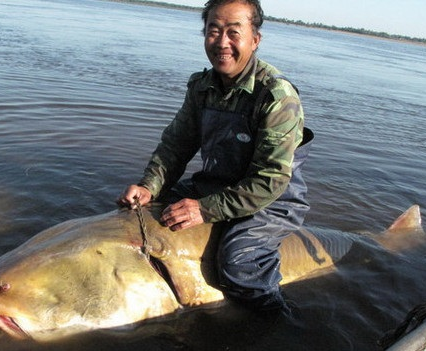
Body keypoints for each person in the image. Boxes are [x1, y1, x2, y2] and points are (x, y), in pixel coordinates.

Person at [118, 0, 313, 313]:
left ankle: (275, 321)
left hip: (274, 200)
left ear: (255, 39)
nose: (222, 42)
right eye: (214, 31)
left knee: (239, 264)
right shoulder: (202, 86)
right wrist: (149, 186)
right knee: (137, 211)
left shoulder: (276, 96)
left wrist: (205, 210)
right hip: (216, 185)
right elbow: (176, 146)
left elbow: (271, 179)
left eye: (234, 33)